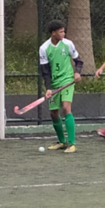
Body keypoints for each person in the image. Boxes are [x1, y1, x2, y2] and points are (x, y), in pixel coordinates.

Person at [39, 20, 83, 153]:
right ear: (53, 33)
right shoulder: (44, 48)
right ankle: (62, 142)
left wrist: (77, 73)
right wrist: (48, 88)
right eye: (61, 31)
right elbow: (45, 72)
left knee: (66, 107)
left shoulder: (68, 44)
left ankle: (72, 144)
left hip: (67, 80)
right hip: (54, 83)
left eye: (64, 31)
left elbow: (78, 61)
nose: (63, 33)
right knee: (53, 113)